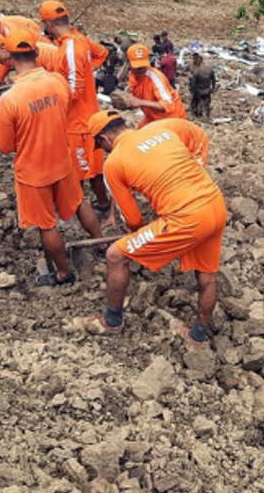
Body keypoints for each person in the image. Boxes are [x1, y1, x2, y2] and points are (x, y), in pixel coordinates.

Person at [75, 110, 226, 348]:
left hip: (186, 217)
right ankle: (197, 336)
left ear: (104, 138)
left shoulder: (114, 162)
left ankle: (111, 322)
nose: (103, 150)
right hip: (215, 205)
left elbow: (133, 219)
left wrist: (139, 236)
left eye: (100, 146)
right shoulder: (161, 132)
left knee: (115, 255)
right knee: (207, 275)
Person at [0, 30, 102, 286]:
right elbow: (63, 111)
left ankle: (63, 273)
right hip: (63, 160)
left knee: (46, 224)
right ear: (36, 52)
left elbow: (5, 147)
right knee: (79, 202)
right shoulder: (57, 81)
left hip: (33, 172)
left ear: (9, 57)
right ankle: (100, 244)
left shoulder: (10, 99)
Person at [39, 0, 113, 218]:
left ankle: (80, 209)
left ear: (49, 24)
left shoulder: (71, 47)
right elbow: (102, 53)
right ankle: (98, 204)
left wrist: (50, 103)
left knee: (80, 171)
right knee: (91, 167)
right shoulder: (78, 39)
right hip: (86, 116)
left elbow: (74, 90)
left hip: (78, 122)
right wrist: (87, 71)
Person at [125, 44, 187, 127]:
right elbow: (136, 96)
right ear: (128, 62)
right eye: (137, 66)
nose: (141, 69)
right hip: (153, 118)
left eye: (143, 65)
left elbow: (168, 105)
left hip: (172, 119)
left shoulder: (155, 78)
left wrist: (140, 102)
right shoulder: (132, 77)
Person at [188, 53, 216, 120]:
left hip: (198, 90)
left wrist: (192, 89)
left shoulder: (197, 71)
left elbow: (193, 83)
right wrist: (213, 88)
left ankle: (196, 114)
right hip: (207, 89)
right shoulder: (209, 69)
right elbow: (213, 80)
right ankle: (207, 116)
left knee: (195, 102)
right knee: (207, 103)